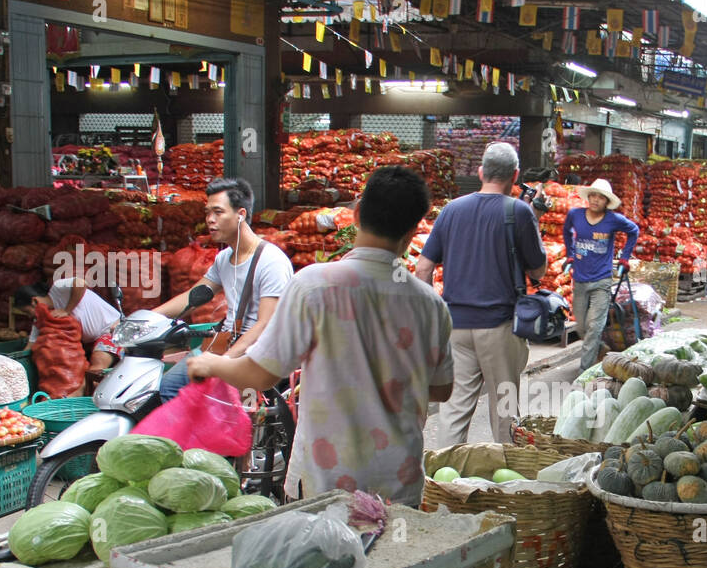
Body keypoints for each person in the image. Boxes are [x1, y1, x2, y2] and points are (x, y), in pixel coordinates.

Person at [185, 166, 452, 507]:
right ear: (415, 230)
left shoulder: (314, 285)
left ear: (356, 214)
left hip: (326, 480)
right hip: (397, 483)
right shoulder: (430, 304)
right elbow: (442, 389)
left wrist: (211, 363)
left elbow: (262, 373)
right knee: (391, 559)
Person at [416, 142, 547, 445]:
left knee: (453, 409)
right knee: (504, 410)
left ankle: (446, 478)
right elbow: (538, 272)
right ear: (515, 176)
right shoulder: (519, 212)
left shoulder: (451, 209)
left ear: (480, 172)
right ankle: (504, 476)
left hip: (456, 327)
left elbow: (423, 268)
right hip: (499, 327)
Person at [154, 177, 293, 402]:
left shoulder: (271, 261)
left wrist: (223, 362)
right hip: (225, 343)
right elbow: (193, 296)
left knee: (205, 400)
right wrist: (149, 316)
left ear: (241, 215)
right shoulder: (224, 258)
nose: (210, 220)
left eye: (218, 212)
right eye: (208, 212)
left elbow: (266, 324)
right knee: (169, 386)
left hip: (254, 353)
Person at [563, 178, 639, 372]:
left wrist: (624, 258)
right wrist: (571, 254)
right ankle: (600, 350)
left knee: (594, 327)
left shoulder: (613, 219)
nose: (596, 200)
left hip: (602, 280)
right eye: (593, 195)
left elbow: (634, 231)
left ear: (607, 202)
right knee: (581, 327)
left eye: (601, 197)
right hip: (580, 279)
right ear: (588, 197)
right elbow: (566, 232)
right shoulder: (575, 215)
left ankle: (583, 372)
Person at [14, 276, 123, 375]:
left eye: (28, 312)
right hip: (87, 344)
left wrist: (67, 310)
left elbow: (81, 283)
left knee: (96, 369)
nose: (29, 316)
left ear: (35, 301)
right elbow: (30, 345)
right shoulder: (41, 318)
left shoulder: (58, 288)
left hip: (111, 330)